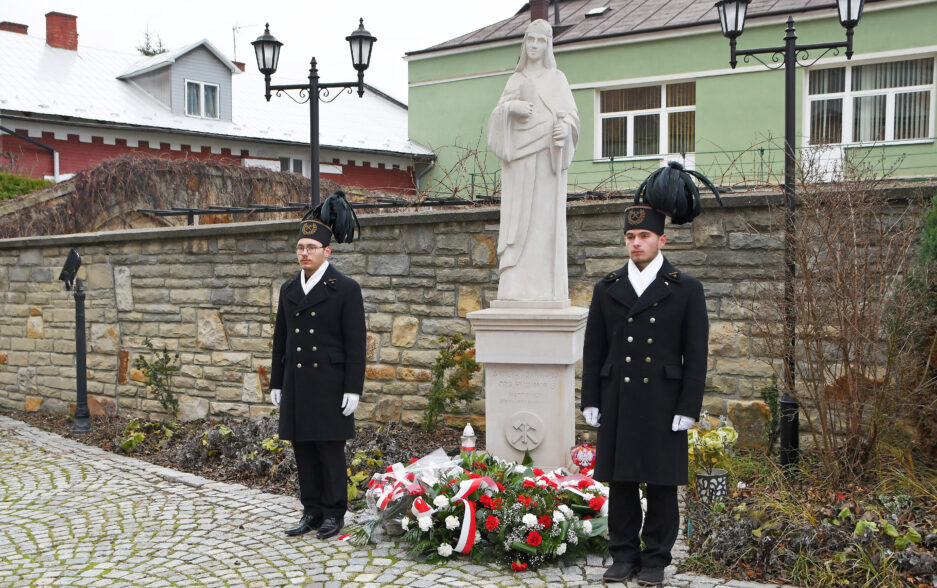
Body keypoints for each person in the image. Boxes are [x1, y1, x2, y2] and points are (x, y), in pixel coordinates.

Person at [580, 162, 721, 586]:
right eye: (630, 236)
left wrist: (689, 407)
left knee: (661, 482)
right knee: (621, 480)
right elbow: (594, 349)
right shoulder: (607, 287)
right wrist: (590, 398)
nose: (636, 243)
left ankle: (656, 558)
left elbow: (696, 354)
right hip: (618, 396)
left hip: (664, 399)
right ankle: (623, 555)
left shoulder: (686, 289)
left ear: (662, 239)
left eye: (644, 235)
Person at [269, 191, 365, 540]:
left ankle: (334, 513)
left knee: (329, 449)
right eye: (300, 247)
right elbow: (281, 339)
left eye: (311, 247)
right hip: (297, 382)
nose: (304, 253)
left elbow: (356, 343)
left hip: (330, 383)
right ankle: (310, 510)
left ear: (327, 251)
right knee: (303, 448)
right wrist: (276, 382)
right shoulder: (289, 288)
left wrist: (353, 387)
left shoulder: (346, 289)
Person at [487, 18, 579, 303]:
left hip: (547, 160)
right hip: (518, 164)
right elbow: (495, 121)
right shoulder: (515, 81)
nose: (535, 45)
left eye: (541, 40)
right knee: (518, 222)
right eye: (531, 39)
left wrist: (565, 130)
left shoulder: (557, 79)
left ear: (548, 45)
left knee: (543, 224)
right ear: (524, 43)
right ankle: (515, 285)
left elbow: (571, 118)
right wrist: (510, 108)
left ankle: (544, 288)